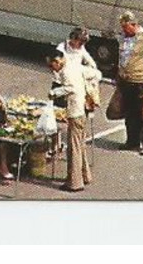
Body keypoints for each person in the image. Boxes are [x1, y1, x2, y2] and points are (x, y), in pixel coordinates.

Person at [115, 11, 143, 155]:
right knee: (129, 114)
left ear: (134, 24)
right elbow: (122, 57)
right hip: (126, 80)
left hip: (141, 81)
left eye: (126, 27)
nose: (123, 30)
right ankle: (132, 141)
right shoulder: (123, 37)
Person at [48, 51, 91, 192]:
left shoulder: (66, 72)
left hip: (75, 111)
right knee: (80, 145)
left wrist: (55, 92)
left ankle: (74, 182)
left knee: (74, 148)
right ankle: (85, 175)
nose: (51, 68)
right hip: (81, 109)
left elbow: (70, 88)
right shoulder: (74, 67)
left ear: (57, 61)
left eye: (51, 64)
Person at [58, 27, 102, 112]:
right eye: (80, 42)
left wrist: (92, 67)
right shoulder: (62, 47)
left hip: (77, 73)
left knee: (97, 75)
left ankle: (91, 100)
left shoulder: (81, 48)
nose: (81, 45)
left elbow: (90, 61)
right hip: (65, 74)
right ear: (73, 39)